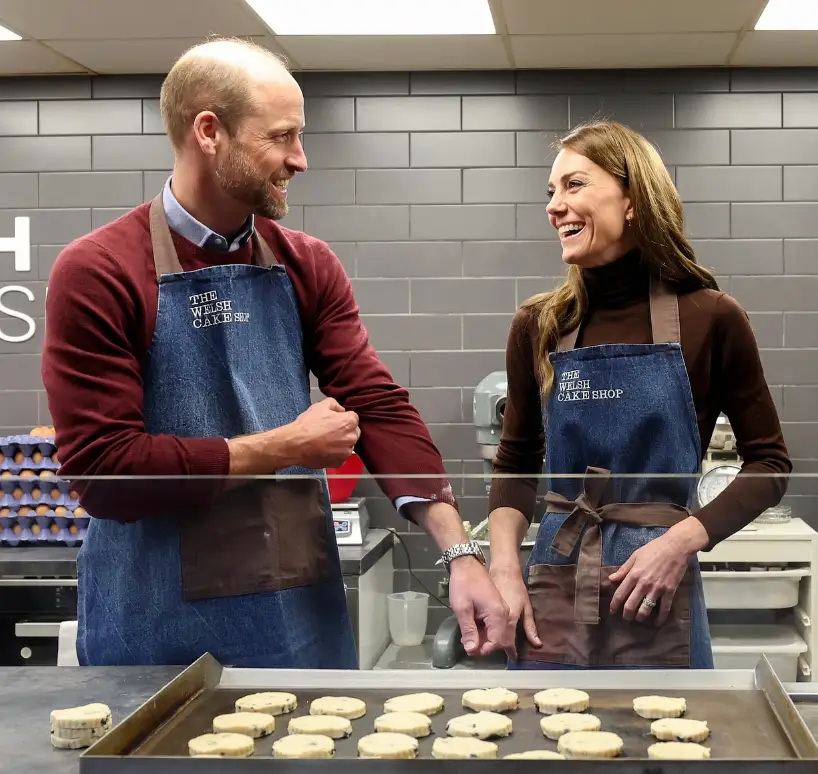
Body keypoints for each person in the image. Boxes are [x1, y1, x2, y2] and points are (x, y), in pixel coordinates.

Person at [41, 37, 511, 669]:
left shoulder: (306, 262)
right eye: (282, 137)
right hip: (156, 620)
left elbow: (374, 402)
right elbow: (106, 472)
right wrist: (283, 447)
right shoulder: (101, 270)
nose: (301, 159)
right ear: (209, 132)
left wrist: (458, 552)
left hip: (295, 606)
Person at [487, 120, 791, 670]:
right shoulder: (539, 324)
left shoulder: (711, 317)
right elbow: (516, 461)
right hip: (557, 566)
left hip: (655, 581)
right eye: (551, 192)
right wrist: (504, 567)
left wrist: (681, 542)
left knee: (664, 745)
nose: (555, 206)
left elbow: (770, 464)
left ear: (632, 199)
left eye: (574, 185)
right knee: (542, 743)